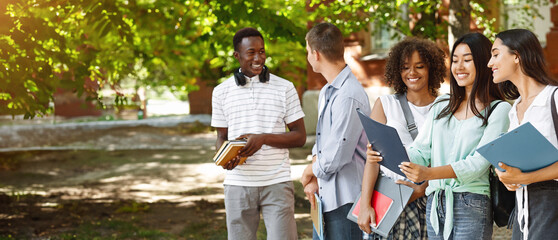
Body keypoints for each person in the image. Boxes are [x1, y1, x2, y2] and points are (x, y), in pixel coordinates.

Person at [375, 32, 511, 240]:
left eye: (467, 60)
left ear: (484, 62)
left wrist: (428, 174)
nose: (459, 67)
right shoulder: (442, 105)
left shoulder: (498, 110)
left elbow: (477, 165)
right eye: (455, 60)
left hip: (472, 203)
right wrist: (389, 152)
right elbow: (420, 150)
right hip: (435, 203)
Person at [211, 27, 306, 240]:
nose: (258, 58)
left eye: (262, 51)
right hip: (238, 184)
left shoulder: (285, 87)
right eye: (251, 52)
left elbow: (299, 136)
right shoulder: (220, 92)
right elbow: (221, 138)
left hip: (277, 182)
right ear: (237, 56)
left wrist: (262, 138)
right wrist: (223, 157)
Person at [358, 37, 446, 240]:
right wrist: (365, 205)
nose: (412, 73)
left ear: (431, 68)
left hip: (428, 198)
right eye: (405, 67)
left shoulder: (445, 107)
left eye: (419, 66)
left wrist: (420, 190)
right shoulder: (385, 104)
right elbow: (372, 160)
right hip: (389, 197)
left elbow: (448, 157)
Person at [300, 22, 371, 240]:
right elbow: (322, 143)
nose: (308, 57)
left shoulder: (348, 95)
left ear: (316, 54)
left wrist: (309, 171)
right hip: (326, 197)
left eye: (307, 52)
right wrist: (314, 179)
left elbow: (335, 157)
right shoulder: (327, 91)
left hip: (346, 201)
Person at [488, 29, 558, 240]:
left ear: (517, 56)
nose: (490, 63)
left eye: (496, 54)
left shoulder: (553, 99)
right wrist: (508, 176)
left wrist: (525, 177)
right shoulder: (514, 108)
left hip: (551, 206)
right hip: (523, 211)